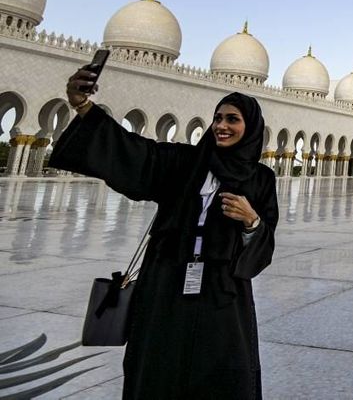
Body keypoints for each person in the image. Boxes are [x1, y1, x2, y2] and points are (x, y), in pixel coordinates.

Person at [50, 66, 279, 399]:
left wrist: (251, 220)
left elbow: (266, 240)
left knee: (223, 366)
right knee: (159, 363)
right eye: (218, 118)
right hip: (166, 284)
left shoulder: (261, 179)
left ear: (251, 126)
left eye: (233, 119)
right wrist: (83, 106)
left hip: (222, 289)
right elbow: (133, 151)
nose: (222, 126)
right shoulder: (184, 162)